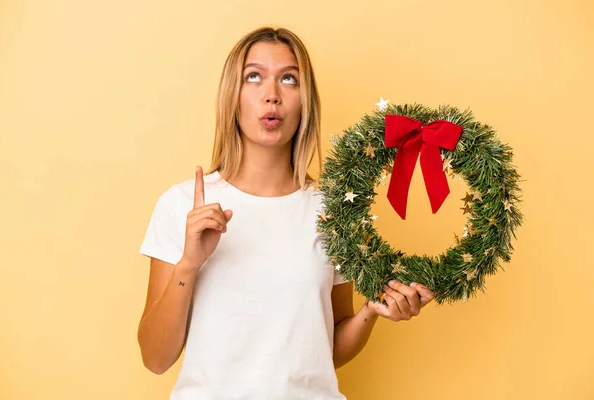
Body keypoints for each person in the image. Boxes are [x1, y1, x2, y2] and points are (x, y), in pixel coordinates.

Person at [137, 26, 435, 399]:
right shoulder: (182, 205)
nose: (272, 95)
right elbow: (155, 357)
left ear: (304, 99)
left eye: (289, 79)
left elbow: (323, 352)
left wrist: (369, 312)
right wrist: (187, 264)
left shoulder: (332, 212)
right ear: (233, 94)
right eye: (254, 77)